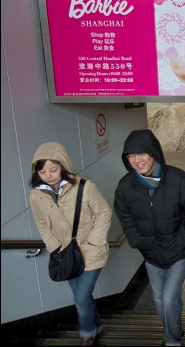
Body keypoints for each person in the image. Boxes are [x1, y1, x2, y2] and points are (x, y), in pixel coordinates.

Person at [114, 129, 185, 346]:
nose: (137, 160)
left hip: (178, 249)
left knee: (168, 299)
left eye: (141, 154)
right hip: (150, 252)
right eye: (131, 155)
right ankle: (175, 329)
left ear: (153, 152)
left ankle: (172, 340)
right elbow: (124, 215)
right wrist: (135, 239)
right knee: (159, 299)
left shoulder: (179, 180)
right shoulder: (125, 187)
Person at [29, 142, 112, 346]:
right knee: (81, 296)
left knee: (81, 298)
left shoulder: (85, 187)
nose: (48, 175)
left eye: (53, 169)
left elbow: (104, 212)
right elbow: (41, 223)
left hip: (92, 251)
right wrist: (55, 247)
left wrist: (95, 240)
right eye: (43, 171)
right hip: (65, 254)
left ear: (63, 166)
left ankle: (87, 334)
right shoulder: (36, 195)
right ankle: (97, 326)